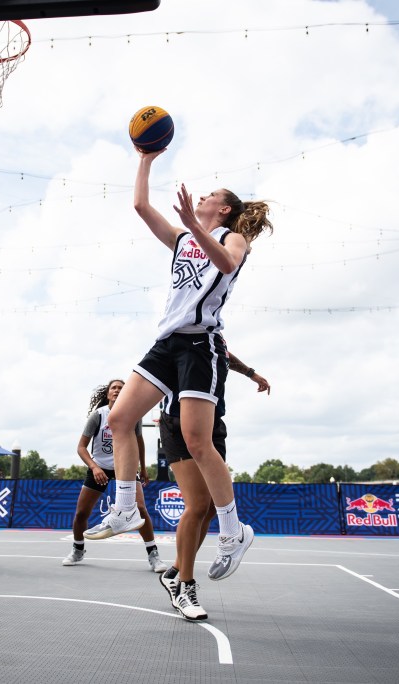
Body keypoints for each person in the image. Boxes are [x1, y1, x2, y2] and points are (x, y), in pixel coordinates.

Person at [85, 148, 273, 587]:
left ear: (223, 209)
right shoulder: (182, 240)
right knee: (119, 418)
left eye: (210, 195)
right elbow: (140, 206)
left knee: (197, 441)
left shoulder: (231, 238)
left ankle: (233, 531)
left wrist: (193, 225)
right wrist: (145, 158)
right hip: (166, 343)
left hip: (199, 345)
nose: (201, 197)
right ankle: (127, 506)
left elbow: (227, 264)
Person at [158, 352, 270, 621]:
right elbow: (153, 371)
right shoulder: (180, 330)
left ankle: (173, 572)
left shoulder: (214, 335)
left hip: (211, 422)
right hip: (177, 421)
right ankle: (185, 587)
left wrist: (251, 373)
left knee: (209, 508)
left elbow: (224, 353)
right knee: (196, 505)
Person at [64, 379, 167, 573]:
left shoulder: (132, 415)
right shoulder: (98, 416)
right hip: (100, 467)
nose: (118, 390)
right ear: (107, 394)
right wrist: (94, 467)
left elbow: (139, 442)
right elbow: (81, 447)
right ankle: (78, 549)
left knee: (141, 509)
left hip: (125, 468)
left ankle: (153, 555)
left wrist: (143, 468)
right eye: (114, 388)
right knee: (81, 513)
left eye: (121, 388)